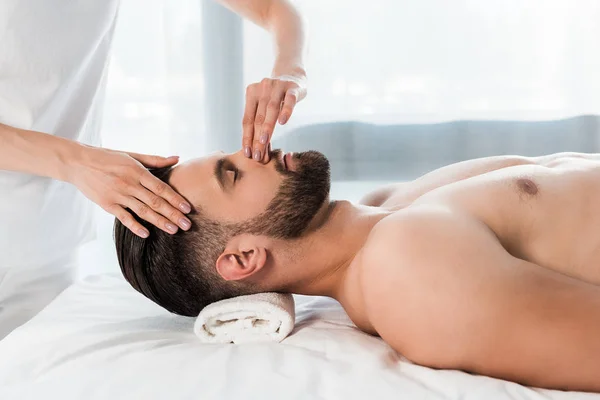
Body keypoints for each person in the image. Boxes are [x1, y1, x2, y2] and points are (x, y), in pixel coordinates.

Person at [115, 149, 600, 392]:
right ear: (244, 259)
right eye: (233, 173)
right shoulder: (406, 273)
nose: (256, 148)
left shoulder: (384, 207)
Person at [0, 0, 307, 338]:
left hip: (47, 235)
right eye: (230, 173)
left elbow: (270, 8)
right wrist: (74, 161)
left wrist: (290, 70)